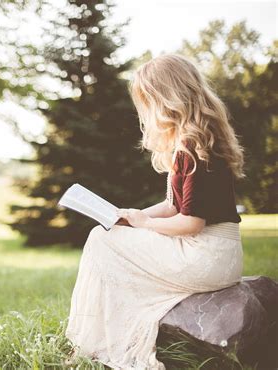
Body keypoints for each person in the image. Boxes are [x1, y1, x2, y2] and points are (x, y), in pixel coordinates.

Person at [64, 53, 245, 370]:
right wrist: (133, 216)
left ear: (167, 98)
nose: (145, 111)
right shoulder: (197, 139)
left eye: (148, 100)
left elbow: (190, 222)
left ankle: (98, 342)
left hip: (207, 254)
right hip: (217, 253)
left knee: (100, 240)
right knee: (110, 234)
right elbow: (174, 206)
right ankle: (101, 338)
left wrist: (145, 223)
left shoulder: (192, 145)